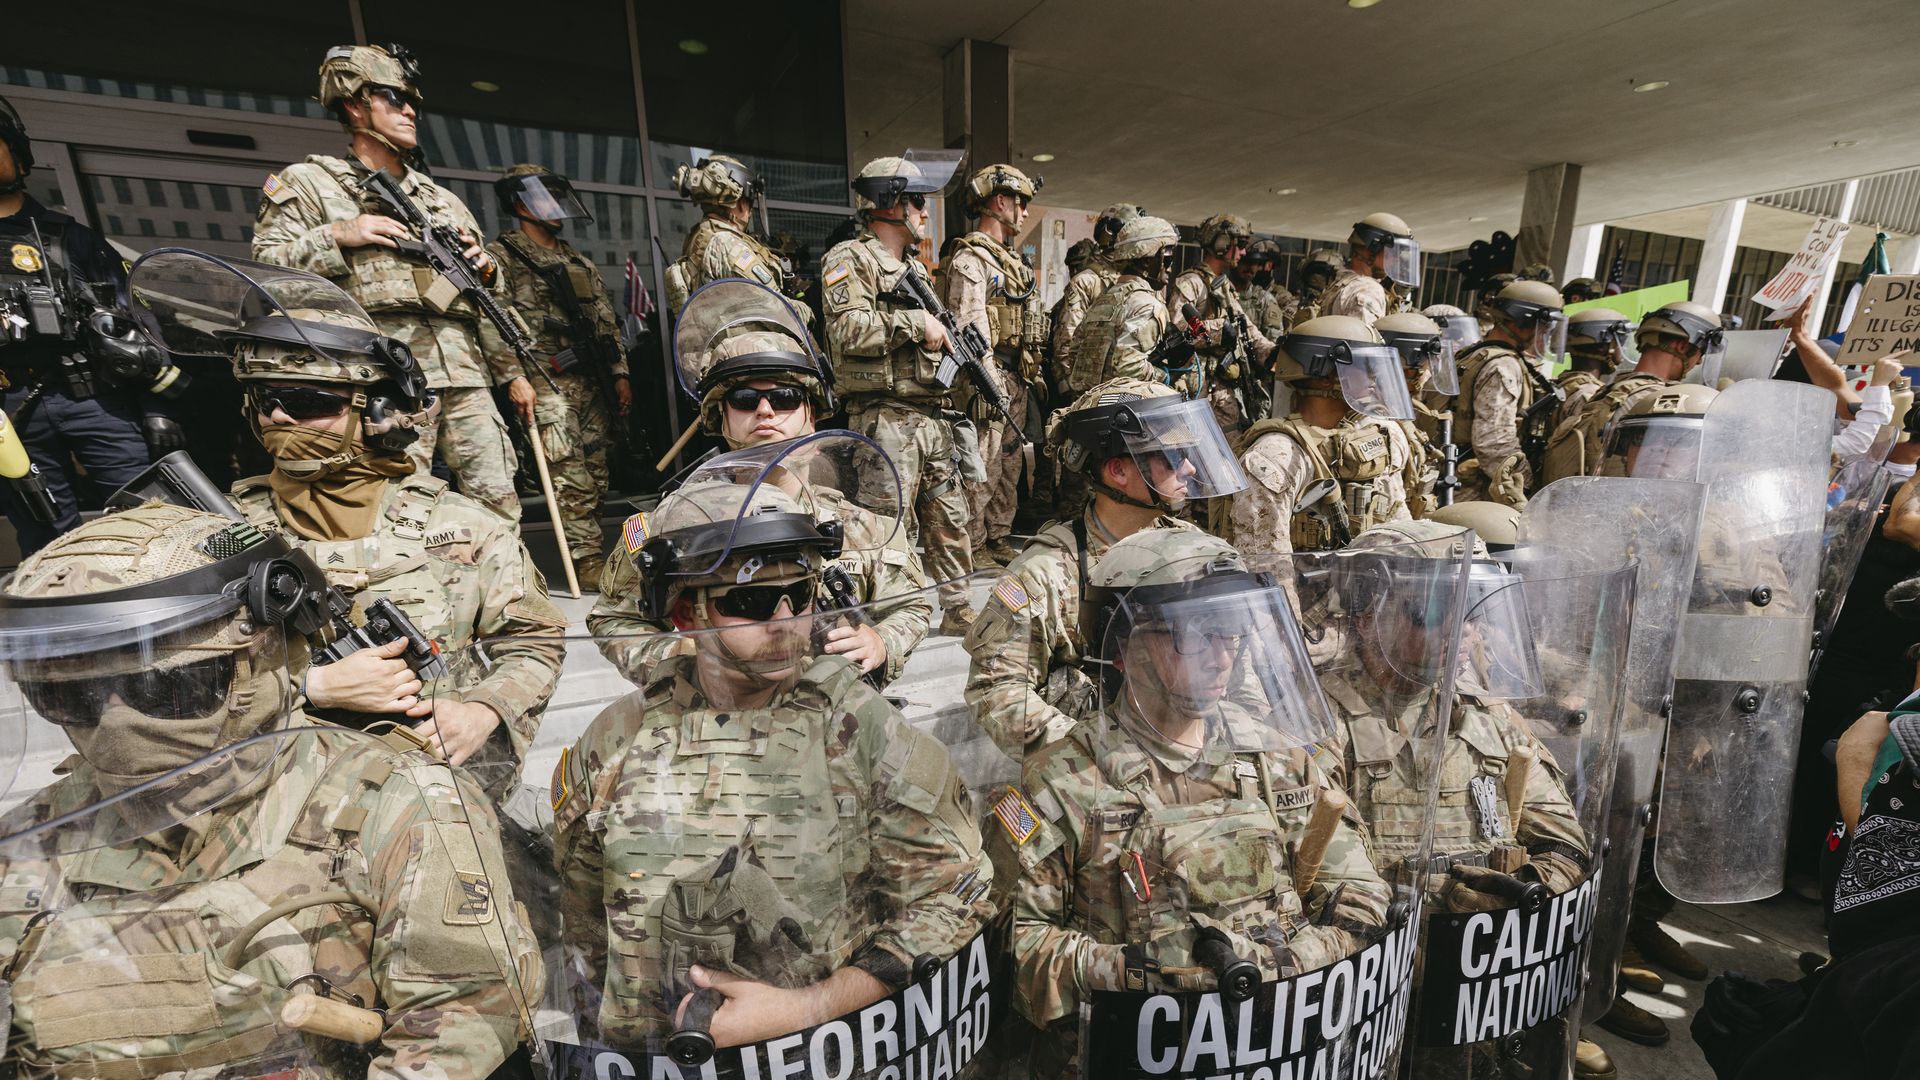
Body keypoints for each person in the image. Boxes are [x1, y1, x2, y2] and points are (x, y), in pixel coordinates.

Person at [0, 502, 542, 1077]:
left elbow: (462, 1016)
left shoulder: (398, 805)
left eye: (166, 690)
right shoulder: (38, 837)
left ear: (262, 654)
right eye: (69, 699)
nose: (113, 727)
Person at [551, 477, 991, 1051]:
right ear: (686, 613)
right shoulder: (616, 736)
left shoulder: (859, 729)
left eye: (801, 595)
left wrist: (810, 1007)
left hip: (816, 1054)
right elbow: (580, 915)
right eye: (751, 600)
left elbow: (958, 893)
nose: (786, 622)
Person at [128, 250, 566, 792]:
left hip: (434, 790)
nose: (279, 417)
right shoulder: (218, 534)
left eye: (307, 401)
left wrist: (481, 712)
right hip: (275, 790)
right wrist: (310, 686)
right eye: (264, 400)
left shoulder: (463, 525)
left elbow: (534, 640)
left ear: (376, 414)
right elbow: (154, 681)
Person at [1006, 528, 1390, 1078]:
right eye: (1196, 633)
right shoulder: (1060, 781)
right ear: (1121, 645)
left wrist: (1289, 961)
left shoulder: (1275, 756)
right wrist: (1141, 972)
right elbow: (1020, 950)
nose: (1222, 656)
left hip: (1277, 1050)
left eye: (1232, 632)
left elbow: (1360, 892)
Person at [1310, 519, 1610, 1079]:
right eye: (1428, 611)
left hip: (1481, 1003)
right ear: (1364, 614)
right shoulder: (1318, 726)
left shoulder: (1490, 720)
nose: (1459, 632)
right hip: (1373, 1014)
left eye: (1468, 612)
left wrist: (1529, 892)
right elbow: (1315, 888)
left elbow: (1569, 846)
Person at [591, 278, 929, 685]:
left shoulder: (861, 524)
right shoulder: (675, 524)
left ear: (812, 413)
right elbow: (615, 618)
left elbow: (911, 605)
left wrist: (882, 641)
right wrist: (683, 660)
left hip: (836, 719)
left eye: (785, 397)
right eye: (745, 400)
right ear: (722, 417)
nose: (766, 411)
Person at [252, 44, 530, 521]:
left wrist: (488, 272)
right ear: (354, 104)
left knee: (498, 499)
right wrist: (339, 234)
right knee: (394, 505)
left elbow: (485, 300)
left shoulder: (440, 201)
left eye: (412, 102)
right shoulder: (310, 184)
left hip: (463, 372)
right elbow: (267, 273)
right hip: (382, 377)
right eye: (393, 98)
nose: (409, 111)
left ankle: (505, 591)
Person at [962, 377, 1244, 756]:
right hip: (1098, 774)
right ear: (1118, 472)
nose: (1191, 469)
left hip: (1197, 755)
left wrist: (1239, 743)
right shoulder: (1045, 573)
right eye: (1174, 458)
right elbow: (995, 689)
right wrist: (1095, 751)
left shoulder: (1194, 552)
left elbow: (1241, 663)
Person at [0, 92, 179, 553]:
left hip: (94, 398)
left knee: (150, 519)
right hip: (11, 413)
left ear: (17, 154)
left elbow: (137, 327)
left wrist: (157, 410)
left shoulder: (69, 238)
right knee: (45, 539)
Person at [821, 153, 979, 636]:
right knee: (886, 526)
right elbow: (847, 329)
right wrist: (917, 323)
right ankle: (888, 618)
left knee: (949, 514)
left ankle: (958, 608)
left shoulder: (913, 268)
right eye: (917, 201)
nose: (925, 212)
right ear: (890, 202)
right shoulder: (850, 259)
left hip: (928, 414)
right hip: (884, 417)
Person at [488, 164, 629, 583]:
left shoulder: (578, 261)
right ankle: (585, 562)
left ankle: (592, 548)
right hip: (544, 380)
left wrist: (620, 373)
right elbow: (490, 321)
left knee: (597, 472)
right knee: (569, 473)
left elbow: (607, 322)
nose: (554, 208)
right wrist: (512, 376)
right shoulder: (503, 257)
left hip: (590, 380)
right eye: (543, 198)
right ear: (519, 203)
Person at [1212, 314, 1417, 575]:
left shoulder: (1378, 436)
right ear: (1323, 376)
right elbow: (1268, 571)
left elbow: (1400, 528)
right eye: (1365, 366)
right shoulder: (1276, 457)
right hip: (1308, 609)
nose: (1375, 378)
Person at [940, 163, 1043, 568]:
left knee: (1011, 461)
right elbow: (970, 325)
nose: (1025, 213)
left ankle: (998, 536)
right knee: (983, 464)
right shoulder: (971, 258)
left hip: (1015, 376)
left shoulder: (1009, 262)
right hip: (987, 377)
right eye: (1021, 203)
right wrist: (988, 382)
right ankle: (974, 543)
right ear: (999, 201)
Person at [1542, 300, 1723, 484]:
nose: (1699, 362)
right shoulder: (1660, 403)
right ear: (1682, 346)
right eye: (1700, 353)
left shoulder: (1607, 392)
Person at [1451, 279, 1566, 507]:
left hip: (1462, 483)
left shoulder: (1474, 354)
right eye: (1544, 327)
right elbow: (1494, 443)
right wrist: (1528, 486)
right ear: (1523, 321)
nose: (1545, 335)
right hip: (1476, 493)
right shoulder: (1503, 366)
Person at [1171, 213, 1279, 436]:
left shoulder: (1223, 285)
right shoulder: (1192, 282)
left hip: (1221, 390)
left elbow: (1245, 327)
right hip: (1198, 388)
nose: (1243, 252)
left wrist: (1272, 352)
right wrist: (1219, 332)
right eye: (1239, 245)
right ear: (1221, 244)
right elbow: (1176, 329)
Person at [1062, 215, 1184, 393]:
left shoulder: (1103, 299)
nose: (1170, 268)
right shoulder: (1147, 305)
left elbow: (1074, 354)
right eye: (1167, 260)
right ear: (1147, 260)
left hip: (1087, 406)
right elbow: (1128, 366)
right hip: (1121, 412)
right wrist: (1166, 377)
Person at [664, 154, 795, 320]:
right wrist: (805, 311)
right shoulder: (725, 243)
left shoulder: (699, 239)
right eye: (749, 202)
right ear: (741, 202)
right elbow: (777, 309)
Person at [1373, 310, 1456, 518]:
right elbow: (1392, 511)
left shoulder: (1397, 410)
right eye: (1428, 364)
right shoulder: (1385, 425)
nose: (1428, 374)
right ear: (1410, 367)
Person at [1319, 213, 1421, 323]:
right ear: (1371, 251)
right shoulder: (1368, 290)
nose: (1397, 259)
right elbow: (1362, 338)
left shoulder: (1342, 281)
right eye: (1394, 253)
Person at [1556, 306, 1634, 425]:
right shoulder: (1591, 395)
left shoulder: (1562, 385)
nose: (1622, 348)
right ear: (1602, 348)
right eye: (1620, 341)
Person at [1237, 237, 1295, 340]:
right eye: (1247, 262)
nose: (1252, 268)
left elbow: (1274, 338)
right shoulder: (1225, 291)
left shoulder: (1270, 298)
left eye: (1256, 263)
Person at [1287, 247, 1346, 328]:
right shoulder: (1292, 308)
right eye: (1315, 272)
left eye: (1325, 275)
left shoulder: (1336, 309)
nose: (1317, 279)